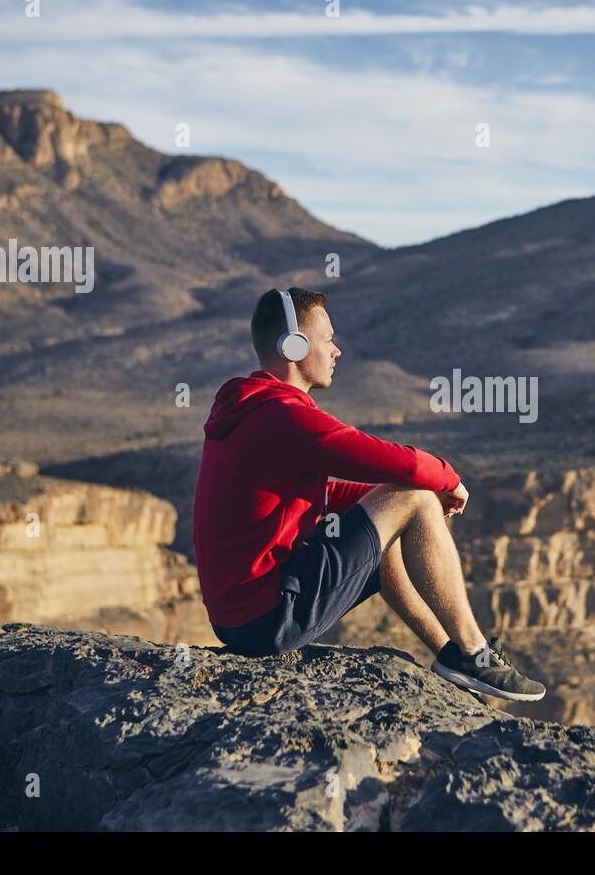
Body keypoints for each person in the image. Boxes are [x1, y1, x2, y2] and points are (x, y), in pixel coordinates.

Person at [192, 286, 546, 702]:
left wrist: (383, 502)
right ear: (293, 345)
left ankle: (452, 656)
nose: (337, 351)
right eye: (327, 340)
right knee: (413, 497)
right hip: (269, 617)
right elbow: (399, 462)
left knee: (390, 521)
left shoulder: (253, 409)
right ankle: (473, 651)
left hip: (241, 619)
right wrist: (446, 480)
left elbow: (329, 492)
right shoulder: (282, 417)